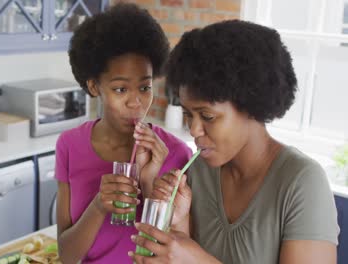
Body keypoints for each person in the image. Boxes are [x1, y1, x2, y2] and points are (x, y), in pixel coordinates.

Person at [130, 20, 340, 264]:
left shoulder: (302, 182)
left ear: (251, 106)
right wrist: (178, 229)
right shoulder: (198, 173)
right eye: (188, 114)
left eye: (207, 116)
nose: (195, 130)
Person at [55, 3, 192, 263]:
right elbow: (66, 256)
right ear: (95, 87)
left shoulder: (177, 155)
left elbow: (177, 256)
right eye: (120, 89)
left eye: (144, 87)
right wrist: (98, 207)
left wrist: (149, 182)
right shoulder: (70, 145)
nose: (136, 103)